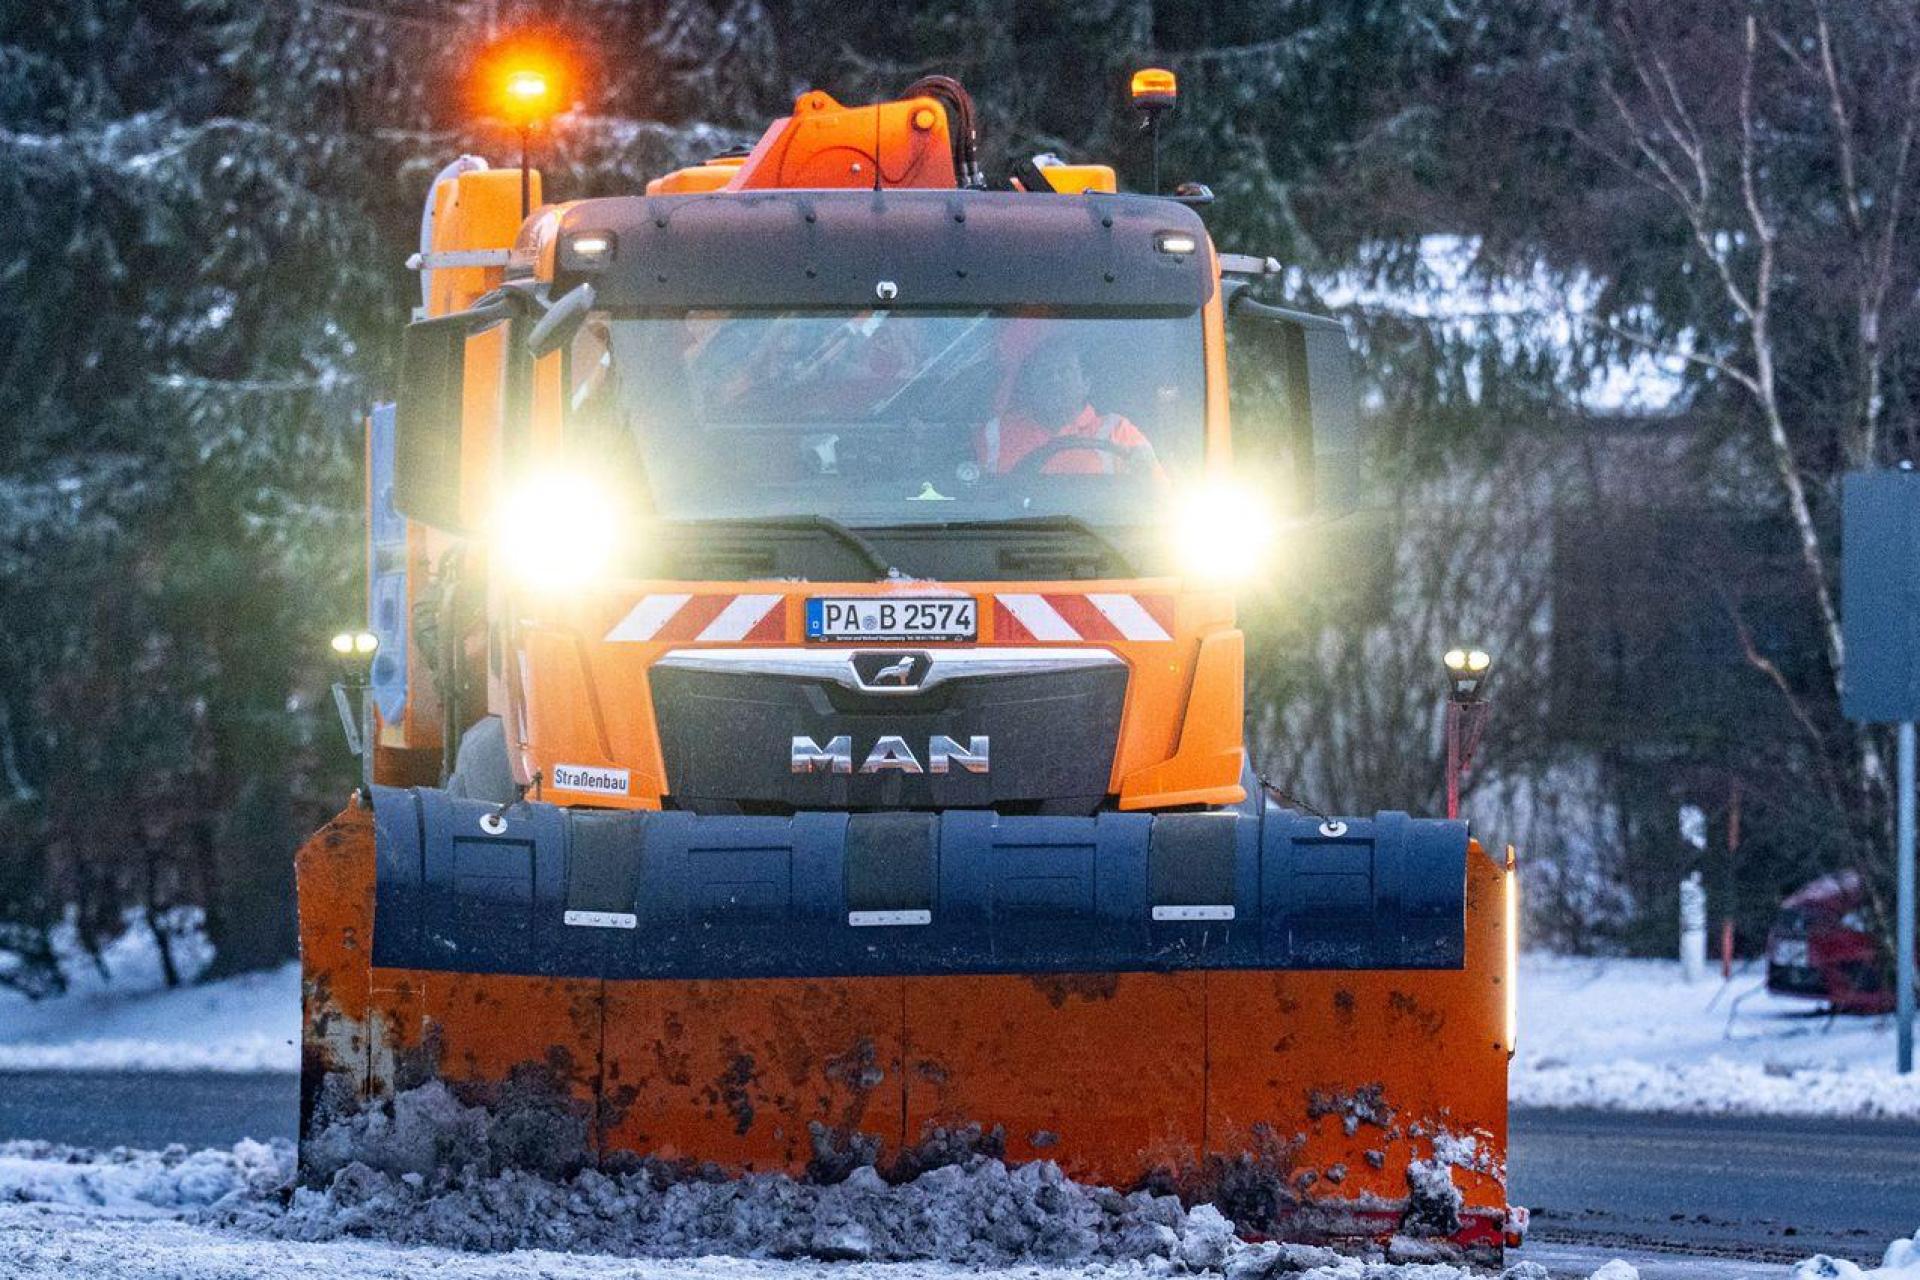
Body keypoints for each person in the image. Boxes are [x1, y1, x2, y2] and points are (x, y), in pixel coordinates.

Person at [979, 337, 1162, 477]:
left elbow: (1158, 498)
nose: (1055, 380)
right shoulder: (995, 433)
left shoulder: (1118, 432)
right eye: (1045, 373)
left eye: (1065, 371)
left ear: (1086, 383)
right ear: (1030, 386)